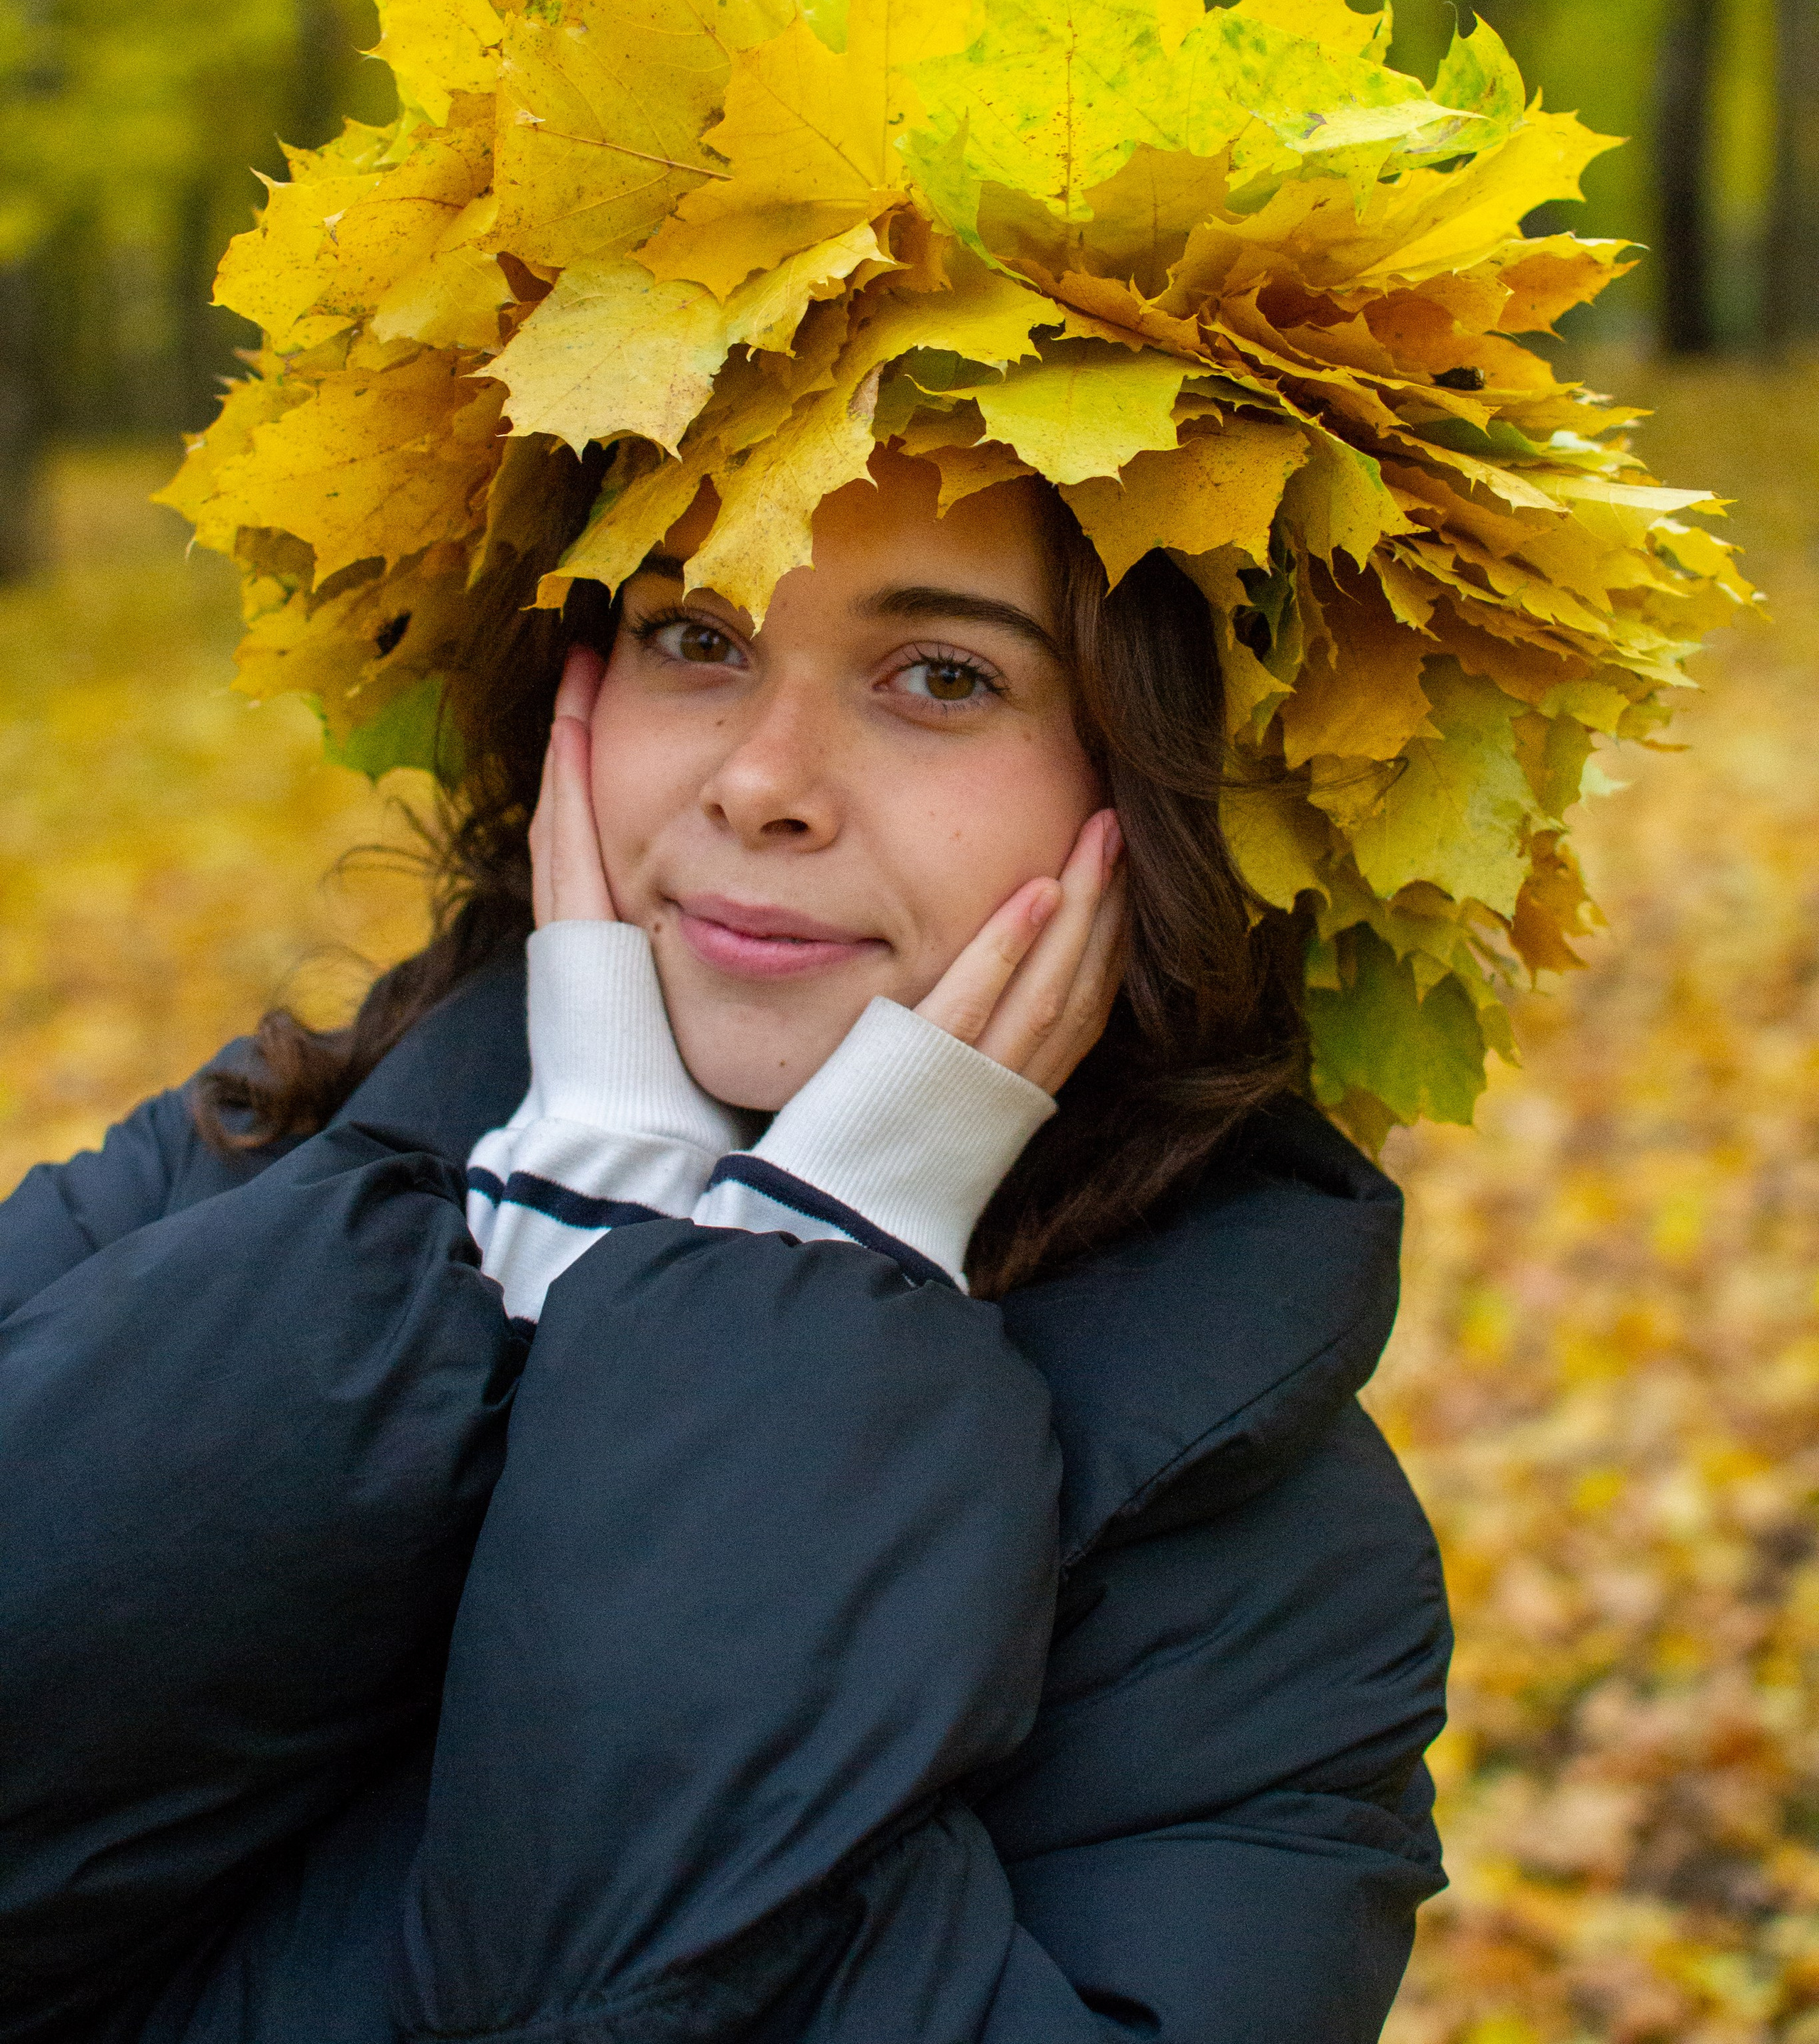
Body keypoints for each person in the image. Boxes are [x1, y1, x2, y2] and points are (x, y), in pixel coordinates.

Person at [0, 448, 1449, 2044]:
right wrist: (538, 1233)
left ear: (1171, 792)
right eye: (697, 639)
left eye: (944, 676)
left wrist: (780, 1323)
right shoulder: (239, 1165)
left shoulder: (1260, 1575)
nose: (763, 781)